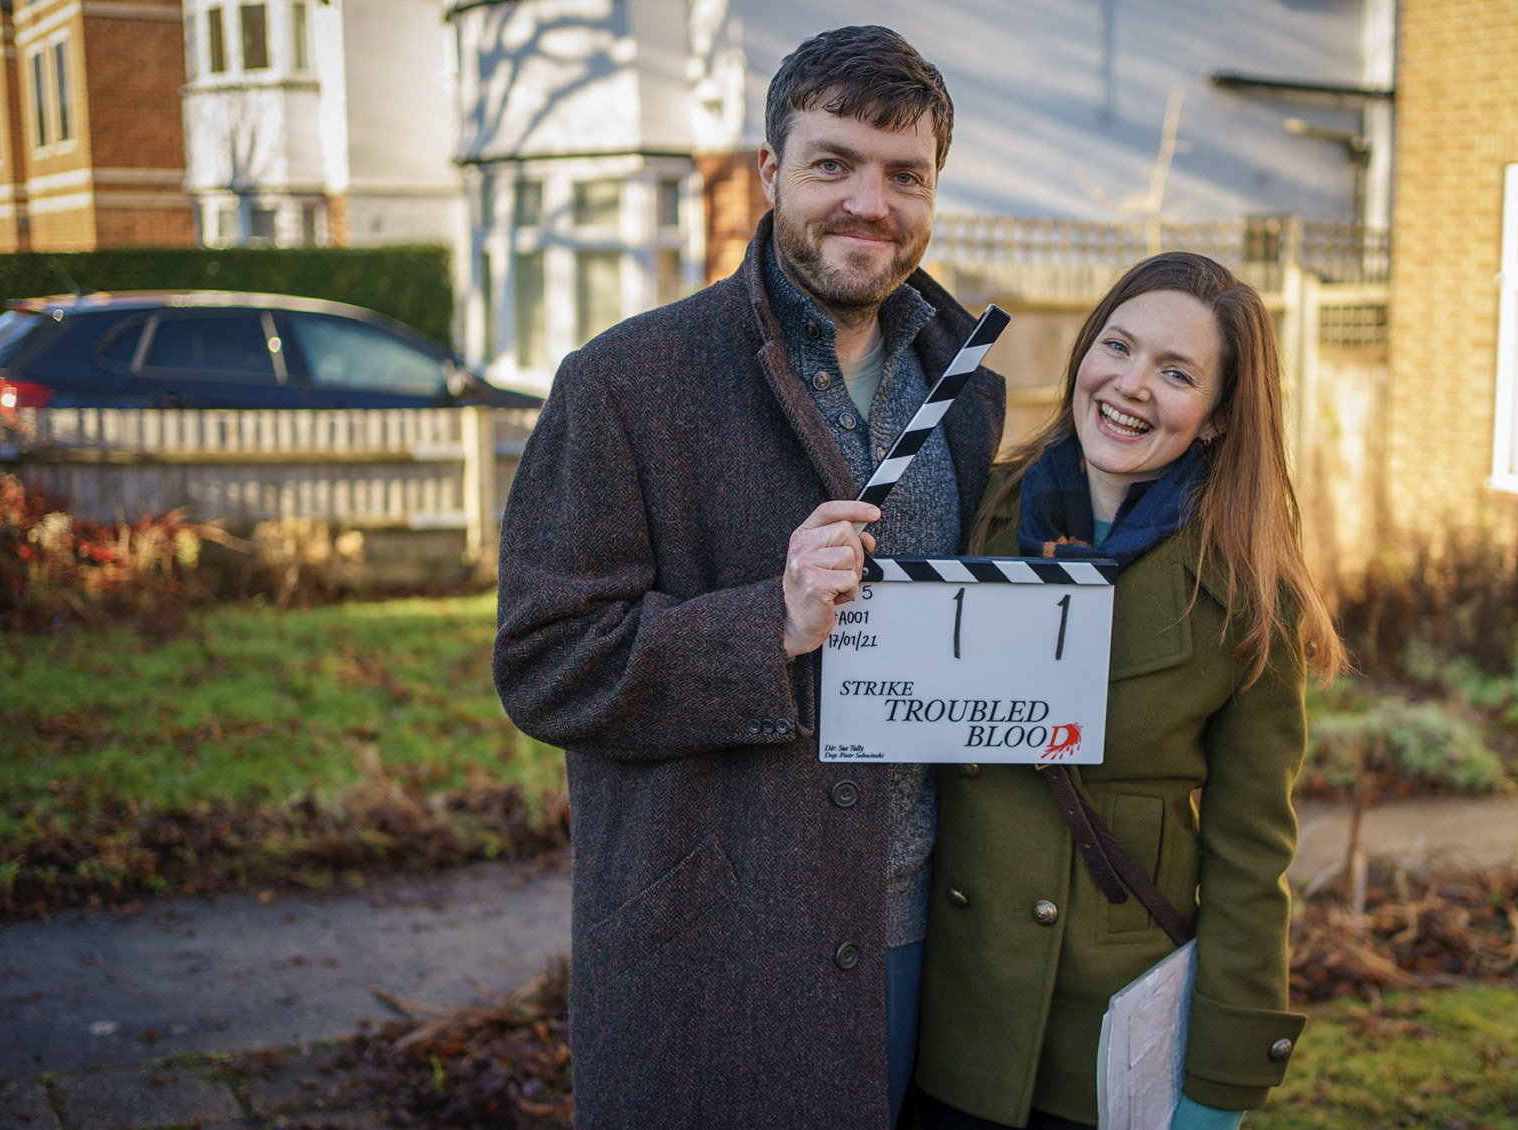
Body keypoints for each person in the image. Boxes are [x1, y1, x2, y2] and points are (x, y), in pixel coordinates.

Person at [490, 26, 1005, 1130]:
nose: (870, 202)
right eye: (833, 164)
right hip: (716, 951)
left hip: (923, 925)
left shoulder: (967, 385)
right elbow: (544, 664)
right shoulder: (625, 382)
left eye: (903, 174)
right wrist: (764, 624)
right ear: (770, 173)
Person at [912, 252, 1347, 1130]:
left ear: (1219, 417)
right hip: (944, 1011)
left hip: (1099, 1032)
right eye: (1119, 346)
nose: (1132, 385)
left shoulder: (1246, 602)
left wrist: (1220, 1087)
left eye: (1177, 372)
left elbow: (1250, 859)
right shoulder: (969, 515)